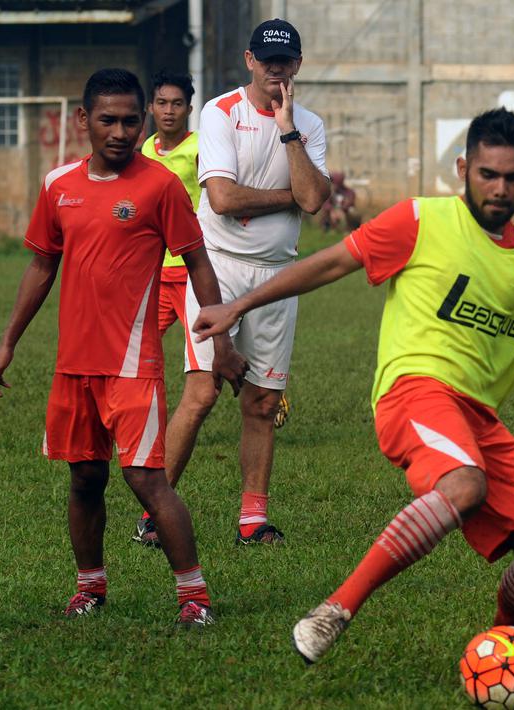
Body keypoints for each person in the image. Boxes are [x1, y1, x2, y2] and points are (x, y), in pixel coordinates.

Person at [191, 108, 514, 664]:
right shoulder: (419, 220)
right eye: (487, 174)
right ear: (463, 168)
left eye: (510, 178)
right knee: (464, 486)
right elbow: (331, 263)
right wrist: (236, 304)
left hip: (477, 416)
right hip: (413, 393)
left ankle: (499, 651)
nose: (499, 189)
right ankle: (334, 610)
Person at [0, 68, 246, 627]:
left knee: (145, 478)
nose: (121, 131)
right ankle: (90, 587)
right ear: (84, 121)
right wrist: (7, 343)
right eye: (108, 120)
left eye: (130, 120)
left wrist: (219, 343)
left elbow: (197, 261)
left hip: (133, 365)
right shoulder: (59, 185)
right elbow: (41, 265)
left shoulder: (161, 187)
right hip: (73, 366)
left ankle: (194, 597)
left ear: (142, 119)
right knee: (84, 477)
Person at [172, 18, 330, 545]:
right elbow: (223, 198)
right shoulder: (220, 112)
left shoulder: (308, 125)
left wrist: (288, 131)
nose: (275, 69)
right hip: (215, 265)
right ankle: (155, 512)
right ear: (249, 61)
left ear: (298, 65)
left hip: (277, 275)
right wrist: (293, 197)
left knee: (263, 403)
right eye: (266, 60)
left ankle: (252, 520)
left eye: (284, 61)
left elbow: (313, 195)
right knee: (201, 392)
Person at [128, 71, 201, 548]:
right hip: (153, 274)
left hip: (194, 272)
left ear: (188, 108)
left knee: (205, 367)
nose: (169, 110)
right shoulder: (141, 154)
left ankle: (269, 388)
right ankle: (130, 427)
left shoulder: (202, 150)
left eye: (177, 103)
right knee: (131, 357)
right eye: (162, 102)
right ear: (152, 107)